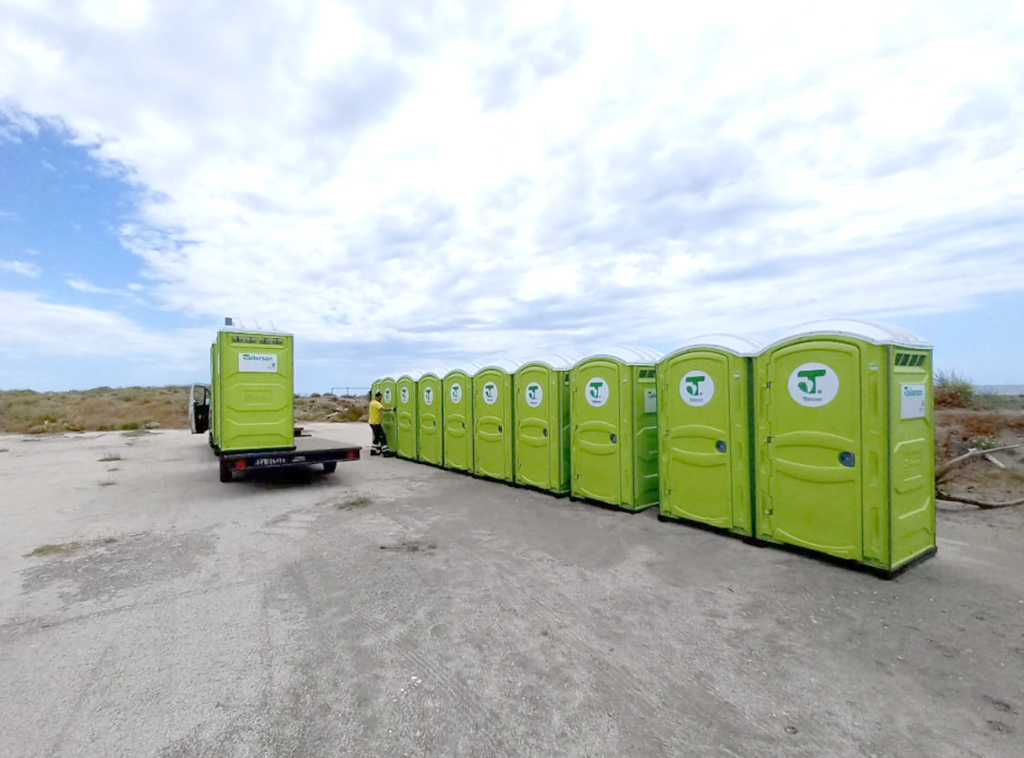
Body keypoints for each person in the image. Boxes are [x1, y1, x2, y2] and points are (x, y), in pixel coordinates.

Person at [368, 391, 393, 456]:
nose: (380, 399)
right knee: (382, 437)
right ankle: (385, 452)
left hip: (372, 422)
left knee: (377, 437)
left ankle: (373, 451)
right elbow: (383, 408)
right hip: (376, 423)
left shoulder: (372, 402)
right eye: (380, 398)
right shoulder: (376, 403)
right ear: (377, 397)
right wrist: (391, 409)